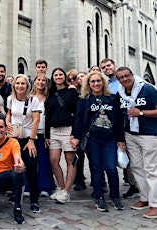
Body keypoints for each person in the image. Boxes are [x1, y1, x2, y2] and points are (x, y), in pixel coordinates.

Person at [71, 71, 125, 212]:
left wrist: (120, 139)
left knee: (111, 168)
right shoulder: (84, 100)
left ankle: (115, 196)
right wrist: (75, 136)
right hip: (93, 139)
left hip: (110, 139)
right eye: (93, 81)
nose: (96, 84)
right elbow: (78, 119)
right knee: (96, 168)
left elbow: (119, 120)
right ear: (88, 84)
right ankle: (99, 197)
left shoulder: (112, 98)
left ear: (103, 82)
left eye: (98, 81)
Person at [116, 67, 157, 219]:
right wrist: (120, 138)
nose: (125, 79)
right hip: (130, 134)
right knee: (137, 167)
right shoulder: (120, 93)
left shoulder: (147, 88)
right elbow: (120, 116)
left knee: (151, 168)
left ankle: (155, 204)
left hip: (148, 133)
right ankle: (144, 198)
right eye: (121, 77)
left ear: (132, 75)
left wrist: (140, 112)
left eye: (127, 76)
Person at [6, 74, 42, 213]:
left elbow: (36, 120)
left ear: (27, 86)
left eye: (23, 83)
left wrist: (32, 140)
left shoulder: (33, 100)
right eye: (17, 83)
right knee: (14, 168)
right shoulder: (10, 99)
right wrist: (7, 122)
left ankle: (34, 200)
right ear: (14, 85)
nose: (20, 86)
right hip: (14, 138)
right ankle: (16, 194)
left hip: (28, 138)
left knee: (32, 168)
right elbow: (9, 114)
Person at [45, 67, 79, 204]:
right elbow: (47, 116)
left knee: (70, 160)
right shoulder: (50, 93)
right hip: (54, 131)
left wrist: (75, 134)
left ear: (64, 77)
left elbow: (77, 114)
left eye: (60, 74)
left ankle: (67, 191)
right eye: (55, 75)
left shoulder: (71, 92)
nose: (58, 77)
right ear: (52, 77)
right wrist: (47, 134)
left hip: (68, 130)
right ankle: (61, 187)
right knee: (54, 160)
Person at [29, 73, 53, 197]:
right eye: (38, 79)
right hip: (31, 133)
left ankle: (45, 186)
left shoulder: (48, 97)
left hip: (44, 132)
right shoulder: (29, 97)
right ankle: (28, 186)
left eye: (43, 80)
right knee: (30, 161)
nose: (41, 82)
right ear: (34, 81)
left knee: (44, 161)